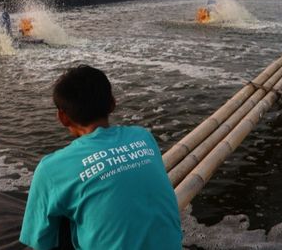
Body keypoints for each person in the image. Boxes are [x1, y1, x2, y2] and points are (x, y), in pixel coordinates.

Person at [20, 65, 182, 249]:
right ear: (112, 103)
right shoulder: (143, 137)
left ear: (62, 117)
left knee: (61, 219)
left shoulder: (51, 169)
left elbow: (40, 242)